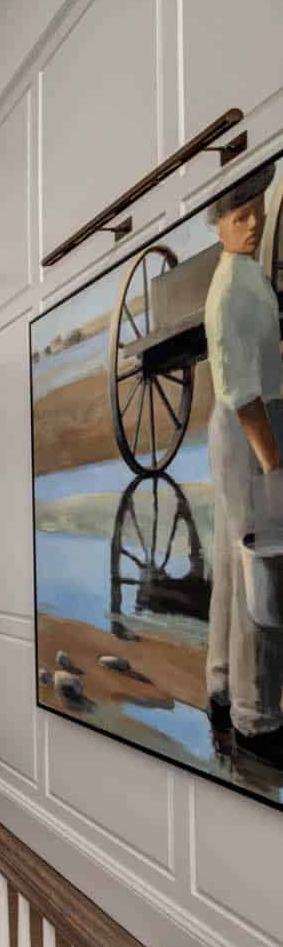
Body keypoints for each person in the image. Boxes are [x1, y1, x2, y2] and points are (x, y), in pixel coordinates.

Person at [204, 160, 283, 769]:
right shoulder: (230, 290)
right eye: (239, 216)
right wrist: (274, 464)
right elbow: (241, 393)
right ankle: (257, 718)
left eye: (255, 212)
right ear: (218, 226)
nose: (252, 223)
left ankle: (221, 684)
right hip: (247, 429)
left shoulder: (247, 273)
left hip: (245, 425)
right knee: (261, 560)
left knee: (235, 560)